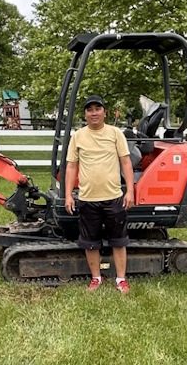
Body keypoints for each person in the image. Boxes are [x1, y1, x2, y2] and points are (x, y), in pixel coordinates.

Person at [64, 95, 134, 293]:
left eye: (97, 108)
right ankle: (96, 278)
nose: (94, 113)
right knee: (90, 242)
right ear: (85, 114)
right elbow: (71, 167)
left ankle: (121, 279)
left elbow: (126, 162)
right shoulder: (78, 136)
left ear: (105, 112)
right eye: (90, 109)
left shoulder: (115, 133)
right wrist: (69, 195)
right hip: (87, 199)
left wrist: (130, 191)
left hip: (113, 198)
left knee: (118, 241)